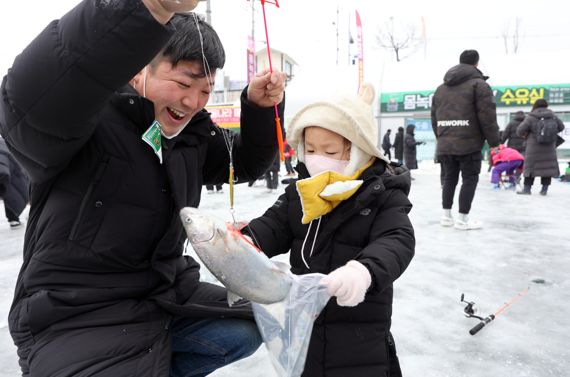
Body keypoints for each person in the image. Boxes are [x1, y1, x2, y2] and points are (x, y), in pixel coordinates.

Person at [0, 1, 287, 376]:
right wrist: (143, 7)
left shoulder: (191, 133)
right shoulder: (88, 118)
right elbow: (29, 97)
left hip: (165, 292)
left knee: (255, 323)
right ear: (140, 69)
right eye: (183, 83)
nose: (192, 101)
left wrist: (257, 107)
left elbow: (244, 163)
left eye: (204, 90)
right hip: (75, 309)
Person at [242, 84, 415, 377]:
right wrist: (244, 240)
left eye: (330, 150)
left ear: (358, 150)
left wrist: (363, 271)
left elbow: (397, 240)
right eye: (310, 149)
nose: (317, 158)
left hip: (359, 337)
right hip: (305, 328)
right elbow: (273, 226)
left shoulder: (382, 196)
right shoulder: (301, 194)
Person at [431, 49, 500, 230]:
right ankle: (462, 219)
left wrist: (442, 138)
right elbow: (487, 116)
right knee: (469, 179)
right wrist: (494, 142)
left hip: (446, 144)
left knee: (449, 179)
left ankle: (446, 216)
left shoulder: (440, 89)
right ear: (476, 64)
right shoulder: (479, 85)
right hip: (469, 143)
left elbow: (434, 118)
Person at [516, 99, 565, 196]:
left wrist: (527, 134)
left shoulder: (531, 117)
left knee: (530, 168)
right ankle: (544, 190)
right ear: (546, 106)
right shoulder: (553, 116)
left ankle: (527, 189)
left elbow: (520, 131)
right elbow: (561, 127)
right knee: (547, 168)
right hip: (549, 147)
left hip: (533, 147)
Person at [0, 138, 29, 229]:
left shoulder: (4, 144)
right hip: (11, 177)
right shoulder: (5, 144)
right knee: (13, 196)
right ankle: (14, 219)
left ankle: (14, 219)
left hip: (11, 177)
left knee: (12, 195)